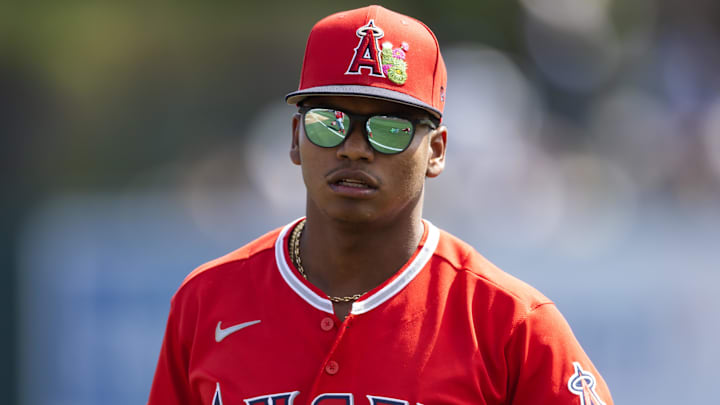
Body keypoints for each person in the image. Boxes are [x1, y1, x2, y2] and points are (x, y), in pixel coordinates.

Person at [148, 5, 613, 405]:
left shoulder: (510, 323)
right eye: (329, 122)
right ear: (294, 139)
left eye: (389, 128)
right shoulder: (206, 301)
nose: (354, 148)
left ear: (437, 152)